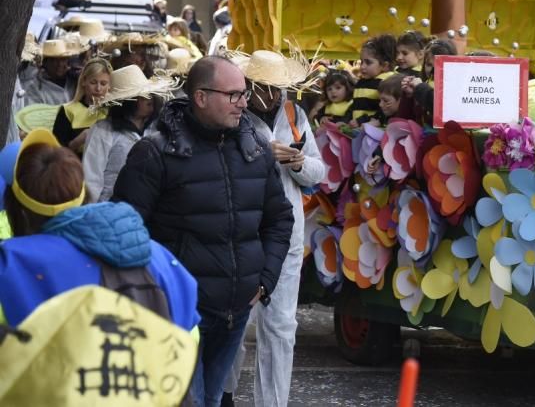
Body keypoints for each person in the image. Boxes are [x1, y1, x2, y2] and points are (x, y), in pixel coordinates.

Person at [113, 56, 294, 407]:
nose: (244, 103)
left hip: (237, 308)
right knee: (189, 401)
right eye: (234, 95)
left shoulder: (254, 150)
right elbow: (126, 230)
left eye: (244, 93)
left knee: (210, 399)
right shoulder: (154, 152)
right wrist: (157, 292)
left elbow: (279, 219)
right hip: (179, 310)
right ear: (201, 97)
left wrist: (264, 280)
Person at [0, 129, 199, 337]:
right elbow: (191, 337)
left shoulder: (10, 264)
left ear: (17, 208)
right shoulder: (159, 258)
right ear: (83, 193)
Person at [223, 50, 324, 407]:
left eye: (279, 87)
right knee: (233, 320)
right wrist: (267, 153)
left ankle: (273, 403)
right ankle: (225, 393)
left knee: (280, 325)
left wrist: (297, 161)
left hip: (289, 233)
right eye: (266, 87)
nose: (274, 94)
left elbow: (318, 172)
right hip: (244, 232)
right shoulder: (233, 115)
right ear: (251, 85)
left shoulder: (295, 114)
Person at [82, 65, 176, 202]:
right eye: (142, 96)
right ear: (126, 102)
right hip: (111, 208)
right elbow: (91, 178)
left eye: (149, 94)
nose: (149, 99)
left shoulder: (158, 128)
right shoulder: (102, 131)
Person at [52, 57, 112, 153]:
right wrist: (77, 141)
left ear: (109, 85)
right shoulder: (68, 110)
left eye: (103, 83)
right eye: (93, 82)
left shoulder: (113, 111)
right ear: (84, 81)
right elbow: (56, 151)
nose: (98, 88)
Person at [401, 38, 456, 126]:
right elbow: (405, 120)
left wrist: (420, 88)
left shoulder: (454, 89)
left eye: (439, 65)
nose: (432, 70)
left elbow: (440, 107)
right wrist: (409, 96)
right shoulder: (423, 84)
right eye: (429, 64)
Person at [21, 38, 84, 106]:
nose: (59, 64)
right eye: (54, 60)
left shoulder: (74, 80)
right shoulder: (35, 89)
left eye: (63, 59)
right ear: (44, 63)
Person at [351, 34, 396, 124]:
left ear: (384, 65)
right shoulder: (361, 83)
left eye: (368, 63)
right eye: (362, 61)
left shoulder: (386, 82)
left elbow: (385, 112)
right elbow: (354, 107)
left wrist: (362, 121)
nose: (362, 66)